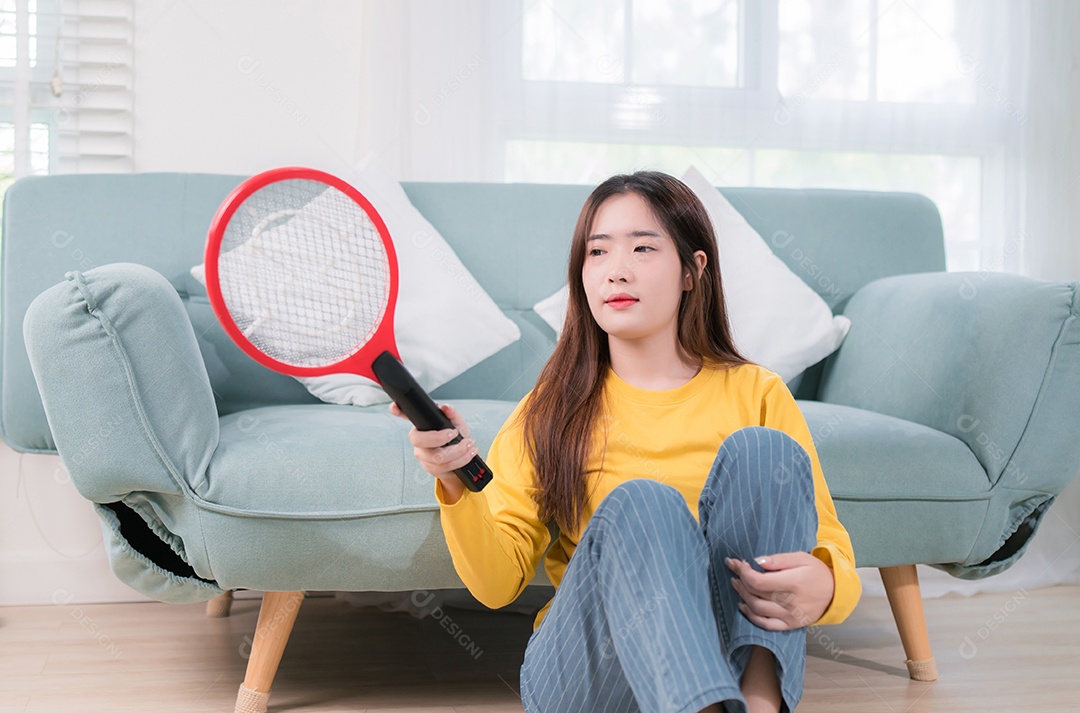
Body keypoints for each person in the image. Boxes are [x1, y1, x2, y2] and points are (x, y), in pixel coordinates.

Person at [390, 171, 861, 713]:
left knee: (766, 453)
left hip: (725, 661)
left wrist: (827, 588)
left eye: (643, 248)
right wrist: (455, 480)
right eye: (597, 252)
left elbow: (828, 542)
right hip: (587, 677)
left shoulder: (757, 392)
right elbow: (496, 585)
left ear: (692, 270)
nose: (616, 270)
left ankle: (758, 705)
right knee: (646, 502)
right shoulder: (549, 409)